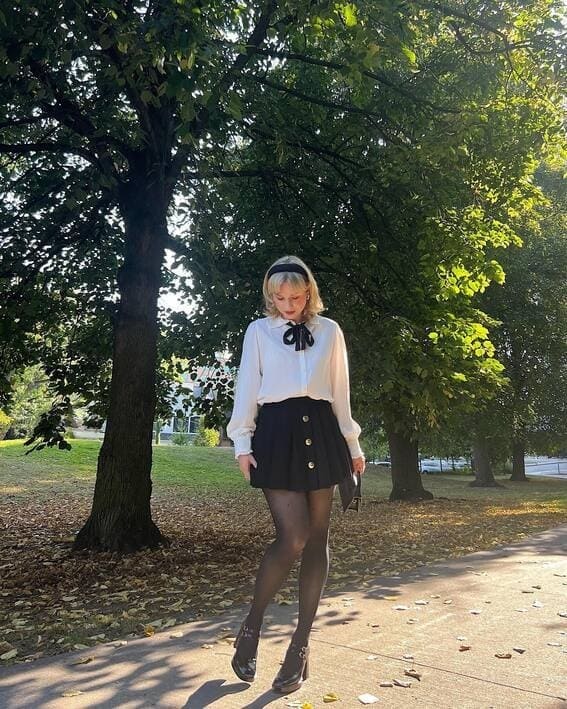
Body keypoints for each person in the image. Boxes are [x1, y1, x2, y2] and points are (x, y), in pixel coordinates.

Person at [226, 255, 365, 694]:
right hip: (278, 433)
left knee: (318, 539)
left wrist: (353, 444)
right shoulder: (258, 331)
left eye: (295, 295)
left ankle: (300, 645)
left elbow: (340, 392)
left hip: (323, 431)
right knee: (294, 536)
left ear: (309, 292)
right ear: (271, 296)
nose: (287, 304)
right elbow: (247, 385)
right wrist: (242, 443)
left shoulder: (331, 331)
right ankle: (251, 627)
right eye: (278, 297)